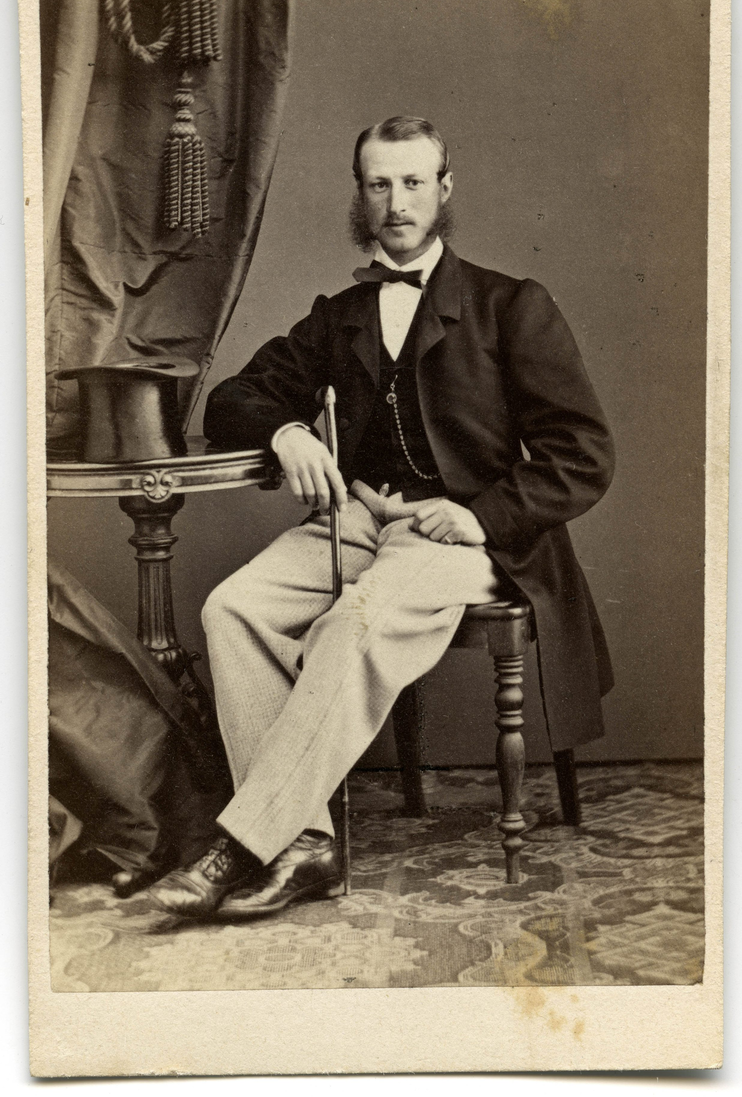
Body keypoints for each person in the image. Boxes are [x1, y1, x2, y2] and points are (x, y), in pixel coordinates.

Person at [148, 115, 615, 919]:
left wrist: (483, 517)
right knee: (233, 609)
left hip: (468, 534)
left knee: (352, 623)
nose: (396, 203)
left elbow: (584, 452)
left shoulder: (511, 305)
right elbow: (234, 398)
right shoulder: (341, 315)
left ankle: (243, 844)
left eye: (412, 182)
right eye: (378, 184)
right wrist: (287, 431)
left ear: (444, 188)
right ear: (359, 196)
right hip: (361, 522)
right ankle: (304, 841)